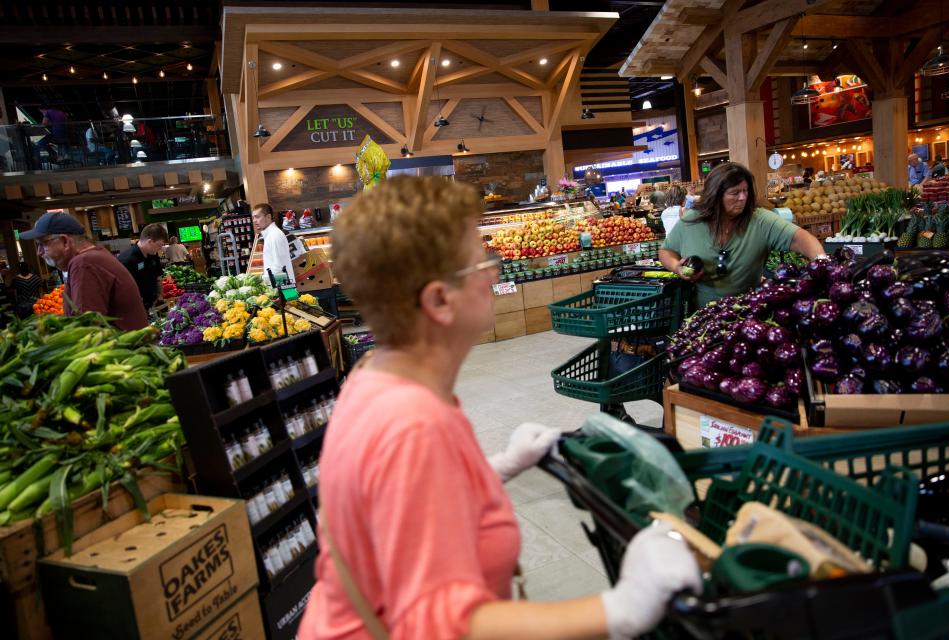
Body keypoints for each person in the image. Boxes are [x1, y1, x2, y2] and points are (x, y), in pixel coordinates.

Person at [298, 176, 701, 640]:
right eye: (482, 264)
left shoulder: (379, 374)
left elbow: (398, 509)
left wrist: (493, 471)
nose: (496, 273)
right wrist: (622, 609)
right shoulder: (411, 423)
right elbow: (444, 626)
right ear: (438, 300)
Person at [659, 162, 826, 309]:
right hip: (703, 317)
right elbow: (666, 251)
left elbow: (801, 238)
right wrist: (677, 267)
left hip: (747, 313)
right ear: (715, 196)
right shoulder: (692, 221)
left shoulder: (759, 220)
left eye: (745, 191)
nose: (743, 198)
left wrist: (822, 264)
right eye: (735, 193)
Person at [21, 212, 148, 330]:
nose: (39, 252)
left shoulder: (84, 263)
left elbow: (87, 328)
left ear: (65, 241)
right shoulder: (93, 257)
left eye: (43, 244)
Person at [118, 223, 168, 311]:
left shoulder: (153, 255)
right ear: (150, 242)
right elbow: (123, 290)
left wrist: (160, 297)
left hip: (153, 305)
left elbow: (158, 277)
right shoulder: (127, 260)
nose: (160, 249)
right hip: (136, 308)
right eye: (159, 245)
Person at [252, 203, 296, 287]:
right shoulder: (270, 235)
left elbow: (279, 266)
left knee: (291, 300)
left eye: (257, 217)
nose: (254, 220)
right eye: (253, 217)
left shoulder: (275, 235)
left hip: (284, 288)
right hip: (280, 286)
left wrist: (262, 282)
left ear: (268, 217)